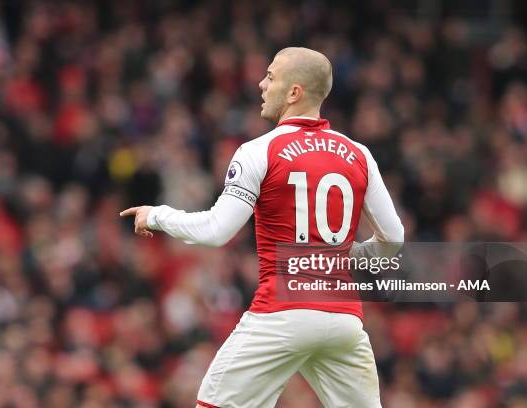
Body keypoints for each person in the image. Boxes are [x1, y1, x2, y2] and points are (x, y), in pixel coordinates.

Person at [121, 47, 404, 408]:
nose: (260, 84)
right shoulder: (359, 154)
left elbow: (216, 231)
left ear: (294, 92)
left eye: (270, 76)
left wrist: (157, 215)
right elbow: (394, 239)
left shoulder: (259, 151)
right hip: (343, 321)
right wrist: (341, 258)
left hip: (282, 314)